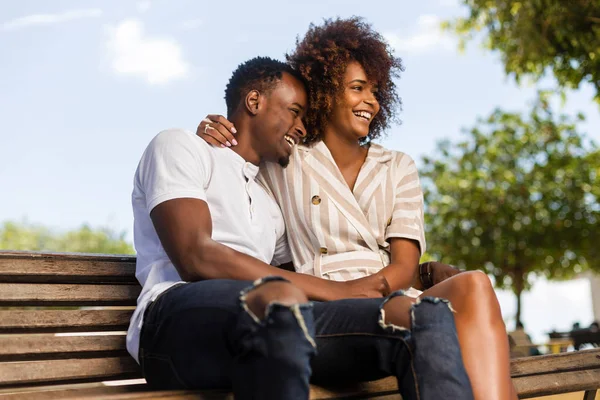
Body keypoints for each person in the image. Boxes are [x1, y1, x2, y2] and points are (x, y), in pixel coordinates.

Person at [198, 17, 516, 400]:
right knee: (423, 320)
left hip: (388, 293)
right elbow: (245, 146)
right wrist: (215, 130)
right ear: (326, 90)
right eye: (358, 88)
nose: (372, 101)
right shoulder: (287, 156)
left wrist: (383, 286)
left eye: (376, 90)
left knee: (475, 283)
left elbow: (403, 265)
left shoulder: (397, 165)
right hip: (322, 305)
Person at [128, 56, 473, 400]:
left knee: (421, 317)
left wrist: (420, 275)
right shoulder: (181, 145)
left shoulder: (268, 199)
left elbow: (312, 264)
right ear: (254, 101)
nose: (303, 128)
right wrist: (337, 292)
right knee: (281, 300)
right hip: (173, 324)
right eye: (295, 112)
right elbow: (196, 255)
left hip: (281, 323)